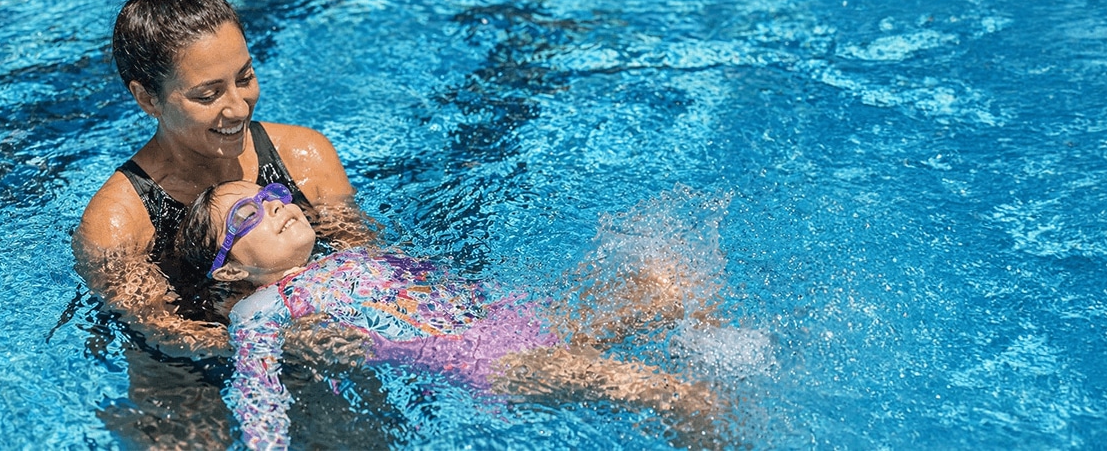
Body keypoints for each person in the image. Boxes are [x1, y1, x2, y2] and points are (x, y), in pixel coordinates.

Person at [70, 0, 385, 447]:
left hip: (315, 332)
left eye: (245, 77)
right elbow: (161, 331)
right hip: (183, 371)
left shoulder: (304, 156)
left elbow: (367, 259)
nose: (237, 106)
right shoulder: (118, 221)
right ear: (146, 97)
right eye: (207, 94)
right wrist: (274, 341)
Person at [175, 181, 729, 450]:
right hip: (502, 362)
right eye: (248, 215)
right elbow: (258, 389)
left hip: (517, 316)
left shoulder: (344, 256)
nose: (274, 205)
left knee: (668, 278)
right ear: (228, 271)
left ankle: (718, 346)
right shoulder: (259, 307)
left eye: (271, 195)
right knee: (678, 396)